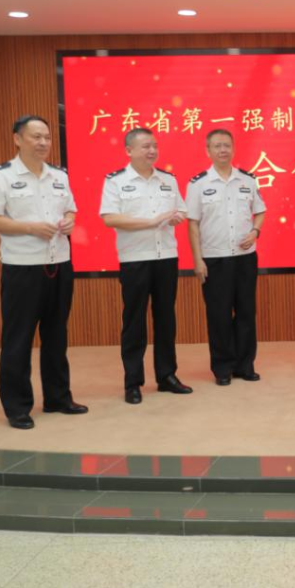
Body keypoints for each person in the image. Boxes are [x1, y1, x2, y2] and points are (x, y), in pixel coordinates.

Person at [0, 115, 87, 430]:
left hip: (59, 263)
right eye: (36, 137)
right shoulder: (0, 176)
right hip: (22, 268)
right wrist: (29, 227)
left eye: (47, 137)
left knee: (57, 335)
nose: (43, 143)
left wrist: (70, 220)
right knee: (19, 338)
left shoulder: (59, 175)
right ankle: (17, 407)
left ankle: (58, 398)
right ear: (17, 139)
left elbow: (71, 208)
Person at [100, 127, 193, 404]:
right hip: (135, 259)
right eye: (145, 146)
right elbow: (109, 218)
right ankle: (133, 382)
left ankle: (167, 376)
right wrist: (151, 222)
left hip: (166, 257)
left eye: (154, 146)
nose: (152, 151)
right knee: (134, 321)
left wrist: (176, 217)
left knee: (166, 319)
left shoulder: (167, 179)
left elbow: (182, 209)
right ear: (129, 150)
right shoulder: (116, 181)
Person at [185, 129, 267, 386]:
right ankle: (222, 368)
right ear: (208, 150)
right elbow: (192, 224)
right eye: (217, 146)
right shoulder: (198, 184)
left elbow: (260, 211)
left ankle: (245, 365)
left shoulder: (247, 180)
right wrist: (197, 260)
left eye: (227, 145)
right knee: (218, 315)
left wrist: (255, 231)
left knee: (246, 313)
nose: (223, 150)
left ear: (233, 148)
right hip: (214, 259)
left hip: (245, 258)